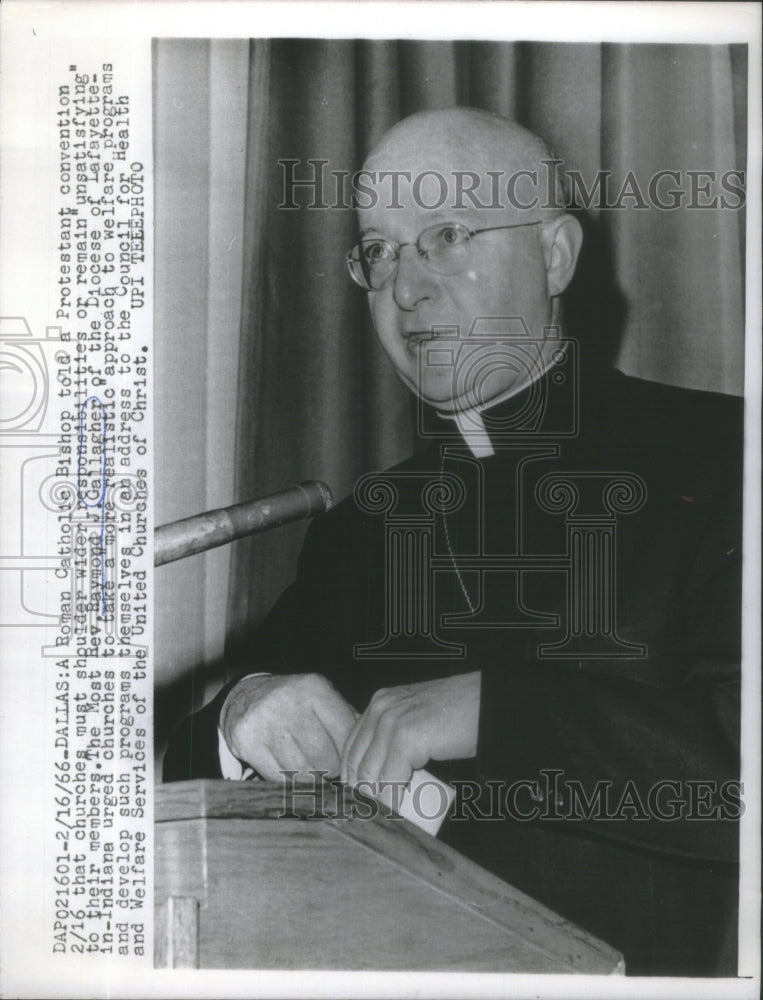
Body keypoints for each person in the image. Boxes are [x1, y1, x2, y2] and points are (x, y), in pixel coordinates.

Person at [164, 108, 742, 976]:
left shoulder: (727, 457)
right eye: (380, 251)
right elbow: (188, 768)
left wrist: (487, 709)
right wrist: (244, 709)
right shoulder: (363, 524)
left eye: (444, 235)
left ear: (553, 256)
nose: (404, 289)